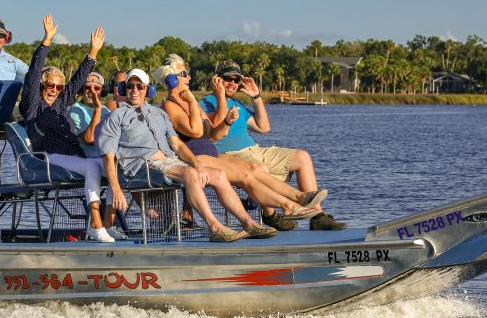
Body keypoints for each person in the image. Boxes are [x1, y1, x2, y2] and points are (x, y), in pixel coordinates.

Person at [97, 68, 277, 242]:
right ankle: (215, 227)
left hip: (168, 162)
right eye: (130, 86)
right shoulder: (116, 116)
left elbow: (177, 144)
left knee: (218, 175)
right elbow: (108, 156)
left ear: (148, 90)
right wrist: (116, 188)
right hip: (140, 168)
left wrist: (196, 163)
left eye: (140, 86)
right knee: (190, 174)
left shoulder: (159, 113)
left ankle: (248, 223)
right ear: (123, 88)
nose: (134, 90)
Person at [152, 54, 324, 231]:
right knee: (246, 175)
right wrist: (193, 102)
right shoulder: (170, 106)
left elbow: (213, 134)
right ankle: (287, 206)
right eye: (184, 74)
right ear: (171, 79)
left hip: (210, 153)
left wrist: (226, 121)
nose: (189, 77)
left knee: (254, 169)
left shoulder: (191, 103)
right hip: (192, 157)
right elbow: (195, 131)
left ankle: (299, 197)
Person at [201, 60, 345, 231]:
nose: (232, 83)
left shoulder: (238, 104)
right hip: (231, 155)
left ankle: (317, 216)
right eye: (227, 79)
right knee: (260, 168)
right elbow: (216, 128)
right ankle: (270, 214)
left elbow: (263, 127)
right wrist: (220, 96)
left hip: (254, 149)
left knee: (302, 157)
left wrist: (256, 96)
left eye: (236, 80)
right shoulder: (205, 103)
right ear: (217, 79)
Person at [19, 15, 121, 243]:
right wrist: (46, 41)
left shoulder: (61, 104)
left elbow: (77, 80)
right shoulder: (32, 106)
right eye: (50, 85)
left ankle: (108, 223)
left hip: (72, 156)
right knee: (92, 169)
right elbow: (33, 73)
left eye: (58, 86)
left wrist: (93, 52)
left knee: (114, 168)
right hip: (49, 157)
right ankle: (95, 226)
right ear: (43, 85)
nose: (54, 89)